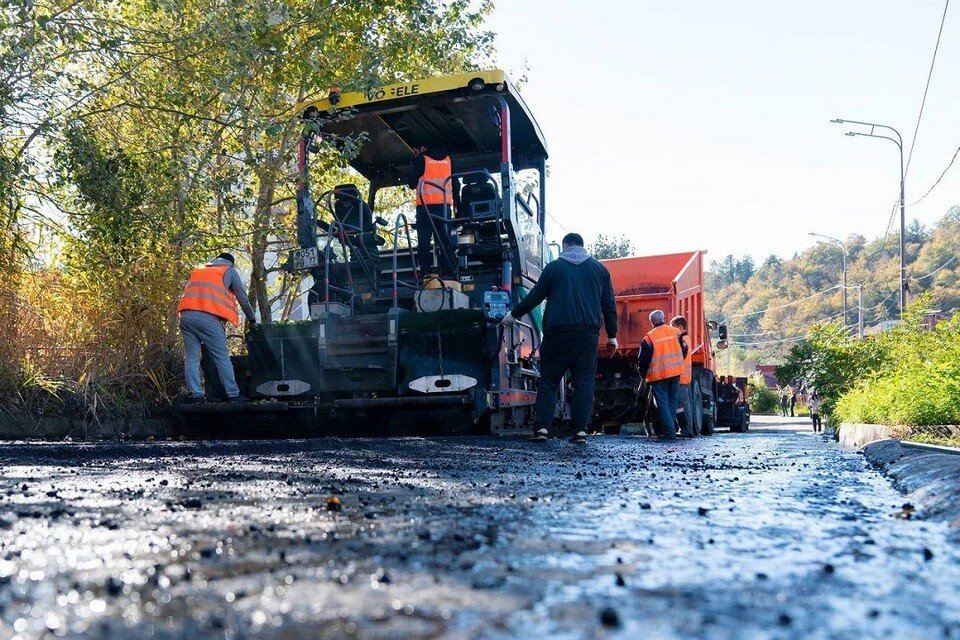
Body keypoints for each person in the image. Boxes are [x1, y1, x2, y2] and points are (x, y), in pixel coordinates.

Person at [501, 232, 617, 444]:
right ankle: (580, 431)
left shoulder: (554, 268)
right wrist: (612, 336)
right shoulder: (600, 270)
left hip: (557, 333)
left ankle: (542, 429)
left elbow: (535, 296)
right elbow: (609, 306)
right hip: (587, 334)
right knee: (584, 382)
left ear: (565, 246)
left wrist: (513, 315)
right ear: (583, 246)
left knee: (549, 381)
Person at [177, 253, 257, 402]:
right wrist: (252, 319)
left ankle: (196, 395)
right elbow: (243, 299)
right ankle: (233, 394)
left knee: (191, 359)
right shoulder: (229, 271)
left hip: (186, 316)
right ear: (230, 263)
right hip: (208, 319)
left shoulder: (199, 269)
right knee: (221, 358)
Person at [408, 145, 461, 279]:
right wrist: (457, 206)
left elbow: (411, 183)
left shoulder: (422, 159)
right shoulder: (449, 160)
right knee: (444, 240)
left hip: (425, 207)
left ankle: (425, 271)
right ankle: (449, 272)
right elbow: (456, 184)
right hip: (443, 208)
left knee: (424, 241)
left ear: (423, 147)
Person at [638, 310, 687, 440]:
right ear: (664, 318)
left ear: (651, 322)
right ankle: (670, 431)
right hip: (675, 373)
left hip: (659, 375)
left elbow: (643, 360)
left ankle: (669, 433)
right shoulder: (675, 332)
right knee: (672, 402)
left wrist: (643, 375)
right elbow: (684, 348)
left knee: (663, 404)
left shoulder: (649, 337)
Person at [670, 315, 696, 437]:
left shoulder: (683, 340)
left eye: (673, 328)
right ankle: (686, 429)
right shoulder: (685, 339)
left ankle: (687, 430)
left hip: (681, 378)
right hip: (682, 378)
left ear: (680, 327)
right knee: (681, 406)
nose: (671, 331)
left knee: (684, 406)